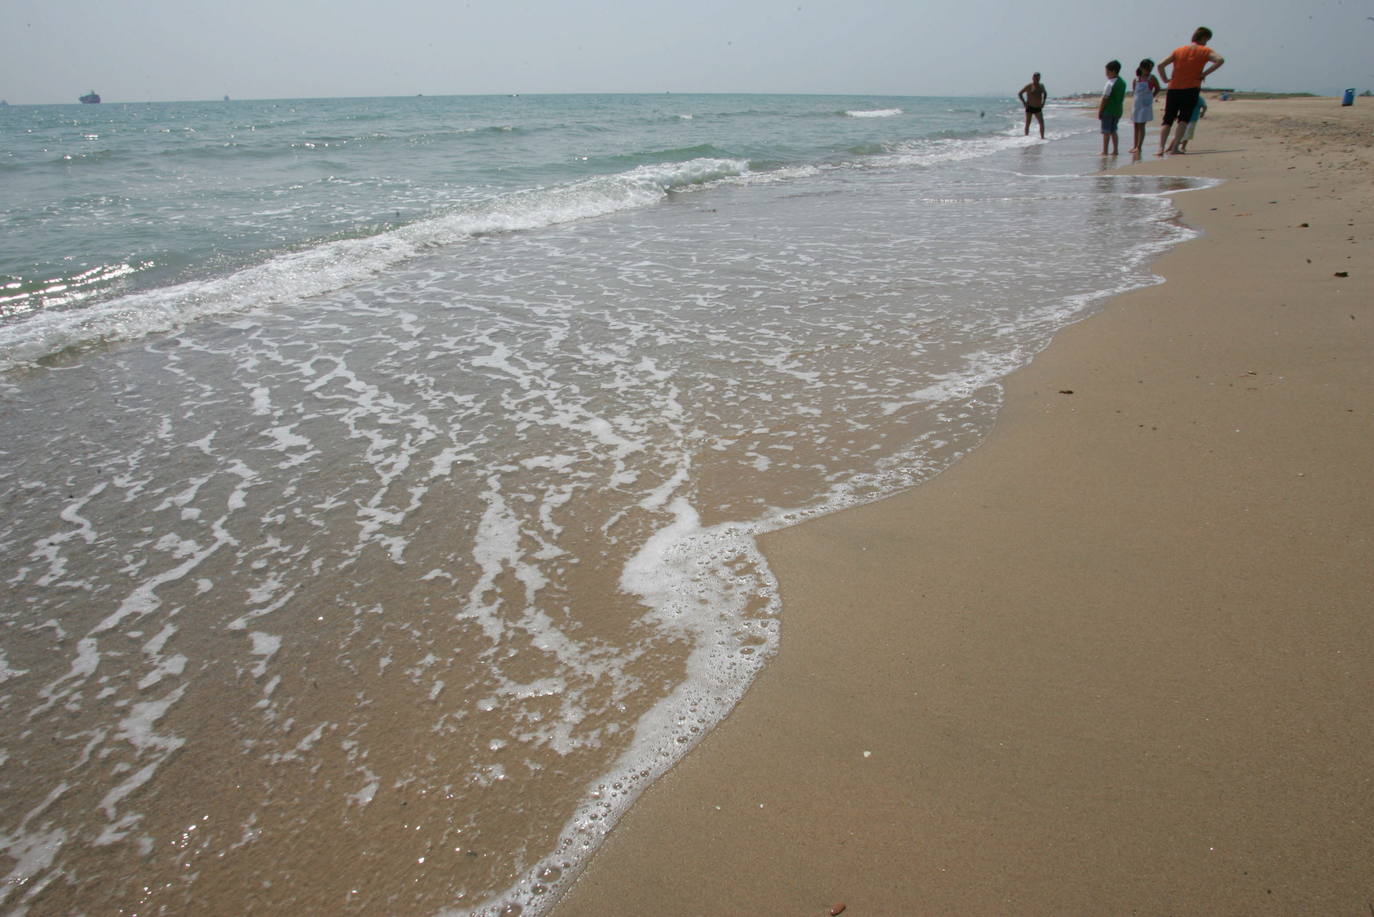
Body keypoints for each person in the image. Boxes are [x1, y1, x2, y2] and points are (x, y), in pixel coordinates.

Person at [1157, 27, 1224, 155]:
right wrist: (1204, 73)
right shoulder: (1205, 51)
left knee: (1168, 119)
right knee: (1183, 119)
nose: (1206, 43)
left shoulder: (1179, 50)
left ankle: (1160, 148)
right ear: (1203, 38)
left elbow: (1160, 65)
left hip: (1173, 88)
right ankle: (1175, 147)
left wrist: (1165, 79)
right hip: (1191, 88)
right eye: (1207, 40)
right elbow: (1220, 60)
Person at [1128, 59, 1158, 154]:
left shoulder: (1151, 78)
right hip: (1136, 105)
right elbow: (1135, 92)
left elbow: (1157, 88)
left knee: (1141, 125)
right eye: (1147, 68)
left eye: (1150, 68)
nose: (1148, 70)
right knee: (1135, 125)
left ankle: (1139, 146)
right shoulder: (1136, 80)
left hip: (1145, 105)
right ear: (1141, 68)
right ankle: (1134, 145)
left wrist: (1151, 96)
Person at [1098, 60, 1126, 155]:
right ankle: (1115, 150)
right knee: (1114, 130)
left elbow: (1105, 98)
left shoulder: (1110, 83)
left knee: (1106, 131)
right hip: (1118, 110)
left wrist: (1100, 111)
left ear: (1113, 71)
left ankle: (1105, 150)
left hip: (1108, 110)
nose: (1106, 74)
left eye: (1107, 72)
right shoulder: (1122, 82)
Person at [1019, 73, 1048, 138]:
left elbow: (1045, 94)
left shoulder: (1041, 86)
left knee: (1041, 123)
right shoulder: (1028, 86)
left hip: (1038, 107)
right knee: (1027, 123)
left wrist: (1043, 102)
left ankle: (1042, 138)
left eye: (1038, 78)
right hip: (1029, 107)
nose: (1037, 79)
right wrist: (1024, 102)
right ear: (1033, 78)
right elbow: (1020, 93)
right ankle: (1026, 138)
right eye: (1036, 78)